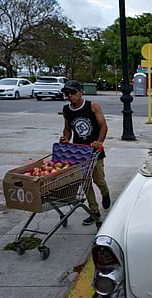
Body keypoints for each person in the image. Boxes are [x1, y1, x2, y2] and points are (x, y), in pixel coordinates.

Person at [59, 80, 111, 225]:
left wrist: (99, 142)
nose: (70, 96)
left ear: (81, 91)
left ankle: (105, 193)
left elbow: (103, 125)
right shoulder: (66, 110)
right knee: (85, 183)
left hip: (94, 151)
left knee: (98, 179)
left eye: (73, 93)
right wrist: (65, 138)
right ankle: (94, 211)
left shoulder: (92, 106)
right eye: (67, 93)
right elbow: (68, 128)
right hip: (79, 152)